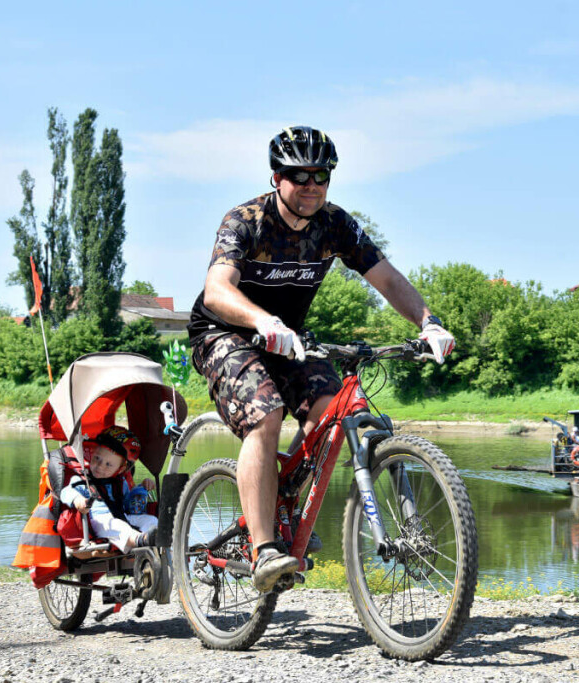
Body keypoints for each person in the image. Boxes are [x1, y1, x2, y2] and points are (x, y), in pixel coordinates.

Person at [187, 126, 456, 592]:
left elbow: (388, 279)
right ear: (277, 177)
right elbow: (217, 289)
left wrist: (428, 322)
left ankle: (283, 502)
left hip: (289, 339)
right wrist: (262, 321)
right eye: (299, 175)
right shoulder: (245, 221)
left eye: (321, 175)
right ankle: (264, 548)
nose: (311, 185)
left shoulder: (335, 225)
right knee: (265, 416)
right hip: (224, 332)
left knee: (332, 410)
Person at [59, 426, 158, 552]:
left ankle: (152, 538)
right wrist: (78, 499)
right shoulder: (84, 479)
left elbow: (128, 502)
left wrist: (142, 488)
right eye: (97, 458)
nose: (100, 466)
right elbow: (66, 491)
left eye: (108, 464)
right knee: (118, 526)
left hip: (123, 516)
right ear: (92, 454)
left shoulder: (120, 482)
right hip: (100, 521)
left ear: (120, 469)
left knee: (151, 519)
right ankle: (140, 540)